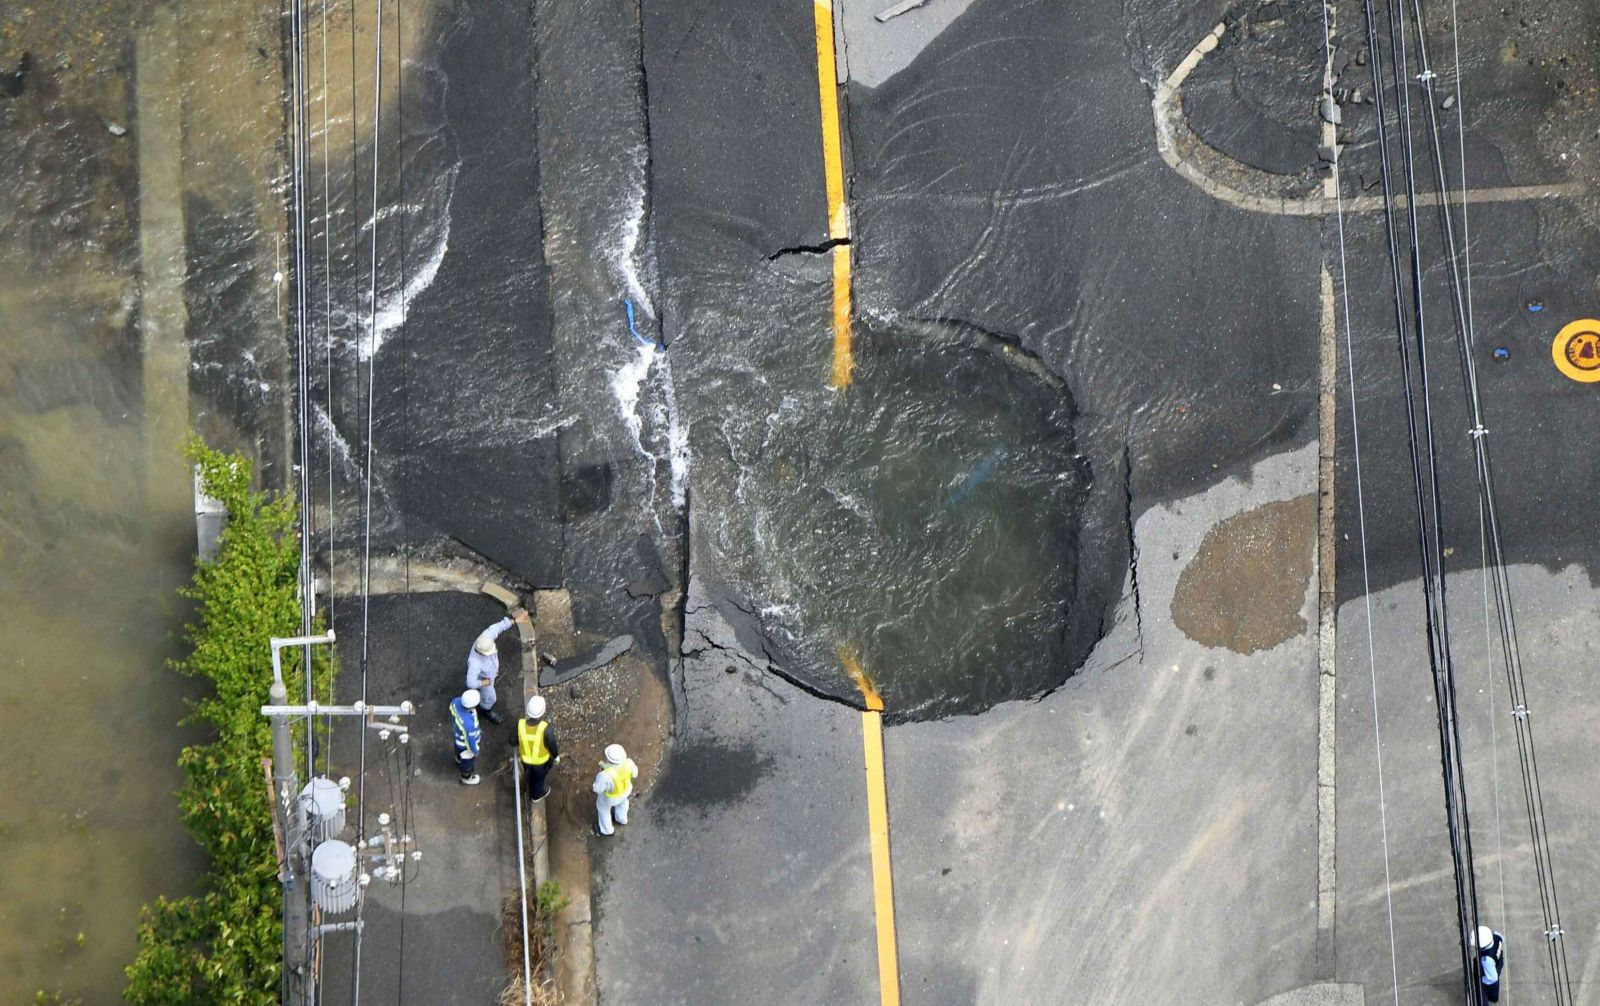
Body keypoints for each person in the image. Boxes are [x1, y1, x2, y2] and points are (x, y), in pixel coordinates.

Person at [466, 614, 515, 724]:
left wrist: (514, 621)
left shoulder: (486, 638)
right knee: (491, 697)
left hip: (490, 672)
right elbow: (470, 682)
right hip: (486, 678)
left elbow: (497, 627)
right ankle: (485, 709)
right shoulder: (475, 663)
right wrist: (484, 682)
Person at [510, 695, 560, 802]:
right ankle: (536, 795)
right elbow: (551, 744)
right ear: (542, 712)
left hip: (525, 760)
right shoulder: (545, 728)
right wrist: (555, 756)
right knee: (539, 779)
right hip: (540, 763)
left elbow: (512, 740)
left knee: (531, 773)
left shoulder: (520, 724)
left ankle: (530, 781)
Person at [592, 743, 639, 838]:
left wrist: (599, 775)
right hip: (626, 791)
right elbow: (635, 774)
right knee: (623, 803)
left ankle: (607, 830)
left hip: (611, 798)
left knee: (603, 809)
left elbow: (598, 789)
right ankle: (621, 818)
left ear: (608, 759)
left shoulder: (605, 775)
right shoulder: (629, 763)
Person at [450, 688, 483, 785]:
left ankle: (458, 759)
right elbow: (470, 740)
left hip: (458, 737)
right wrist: (475, 750)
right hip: (465, 745)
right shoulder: (469, 724)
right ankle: (466, 777)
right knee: (467, 761)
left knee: (458, 750)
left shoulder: (455, 702)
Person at [1474, 925, 1505, 1003]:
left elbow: (1492, 978)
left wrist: (1481, 980)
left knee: (1482, 993)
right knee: (1494, 990)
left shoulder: (1486, 960)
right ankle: (1494, 998)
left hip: (1492, 971)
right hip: (1498, 962)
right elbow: (1502, 938)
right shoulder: (1497, 936)